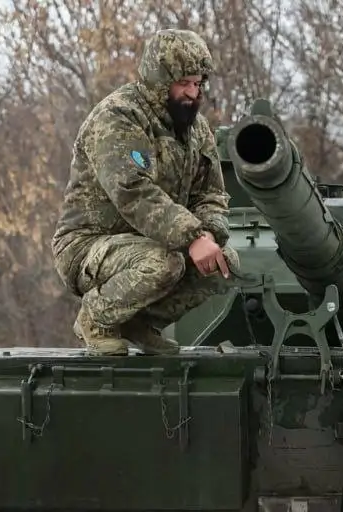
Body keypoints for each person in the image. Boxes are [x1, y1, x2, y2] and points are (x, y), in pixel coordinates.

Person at [51, 29, 240, 355]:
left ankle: (138, 324)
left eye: (198, 84)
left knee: (226, 264)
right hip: (88, 246)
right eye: (184, 83)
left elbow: (210, 195)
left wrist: (209, 234)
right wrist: (192, 237)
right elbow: (132, 191)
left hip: (156, 242)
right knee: (164, 262)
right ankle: (95, 318)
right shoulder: (119, 116)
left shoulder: (197, 131)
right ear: (159, 79)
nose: (192, 93)